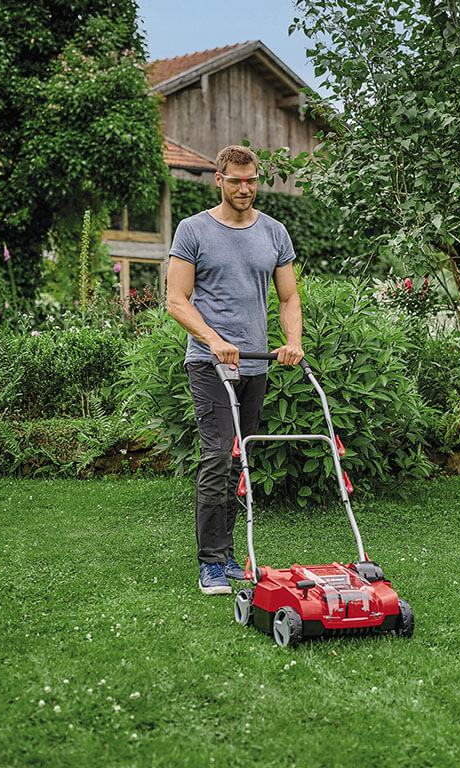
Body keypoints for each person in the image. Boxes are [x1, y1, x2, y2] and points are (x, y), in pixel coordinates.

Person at [166, 144, 304, 595]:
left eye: (251, 180)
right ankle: (211, 563)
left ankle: (227, 556)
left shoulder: (275, 232)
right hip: (209, 363)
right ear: (219, 181)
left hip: (256, 363)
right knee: (216, 454)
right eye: (235, 180)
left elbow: (288, 298)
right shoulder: (193, 230)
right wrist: (214, 340)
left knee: (237, 458)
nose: (244, 188)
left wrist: (293, 342)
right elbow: (176, 300)